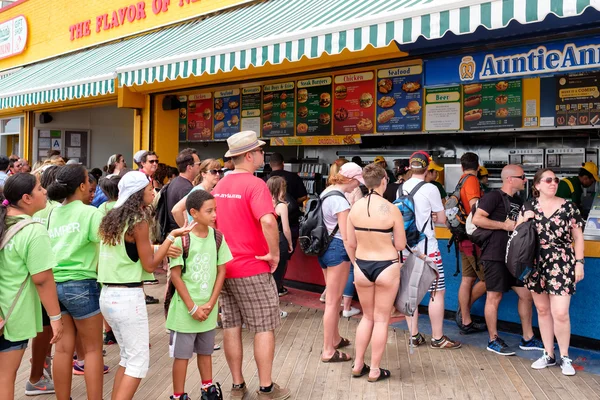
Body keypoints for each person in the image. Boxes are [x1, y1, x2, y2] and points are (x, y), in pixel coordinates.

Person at [98, 171, 193, 399]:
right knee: (138, 363)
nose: (154, 192)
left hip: (108, 296)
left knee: (127, 358)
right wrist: (170, 238)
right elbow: (150, 265)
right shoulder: (138, 222)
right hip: (128, 298)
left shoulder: (112, 217)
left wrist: (157, 247)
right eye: (151, 190)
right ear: (139, 194)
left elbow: (132, 252)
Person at [212, 131, 290, 400]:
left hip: (225, 267)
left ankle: (237, 385)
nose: (262, 154)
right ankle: (266, 388)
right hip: (252, 267)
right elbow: (269, 221)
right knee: (263, 327)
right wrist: (273, 253)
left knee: (231, 326)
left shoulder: (219, 185)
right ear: (248, 156)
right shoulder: (255, 184)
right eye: (259, 150)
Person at [0, 174, 63, 399]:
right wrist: (55, 318)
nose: (45, 191)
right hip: (11, 317)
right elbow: (42, 279)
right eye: (39, 188)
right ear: (27, 198)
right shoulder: (33, 230)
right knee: (4, 377)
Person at [45, 165, 105, 400]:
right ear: (83, 186)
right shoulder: (90, 213)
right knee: (92, 350)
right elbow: (106, 245)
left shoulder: (52, 213)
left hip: (54, 286)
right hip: (82, 284)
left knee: (62, 349)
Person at [167, 190, 233, 400]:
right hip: (185, 312)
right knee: (181, 357)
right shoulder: (181, 239)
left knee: (206, 353)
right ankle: (179, 395)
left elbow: (222, 270)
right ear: (193, 213)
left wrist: (212, 303)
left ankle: (208, 389)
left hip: (208, 309)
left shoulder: (217, 237)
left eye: (216, 210)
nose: (214, 215)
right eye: (209, 211)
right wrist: (192, 307)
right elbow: (175, 276)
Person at [472, 164, 544, 356]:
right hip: (495, 254)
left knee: (526, 294)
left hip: (514, 257)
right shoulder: (493, 197)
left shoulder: (520, 201)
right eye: (522, 177)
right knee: (494, 296)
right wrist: (504, 226)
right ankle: (493, 339)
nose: (525, 180)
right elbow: (477, 219)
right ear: (510, 179)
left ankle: (527, 338)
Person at [520, 169, 584, 376]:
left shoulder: (568, 207)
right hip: (536, 262)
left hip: (562, 262)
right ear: (537, 185)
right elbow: (516, 233)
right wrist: (522, 220)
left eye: (555, 180)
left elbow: (578, 237)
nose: (553, 183)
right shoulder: (529, 206)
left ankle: (565, 356)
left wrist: (579, 263)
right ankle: (549, 354)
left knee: (560, 313)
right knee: (543, 310)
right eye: (548, 180)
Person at [347, 163, 406, 382]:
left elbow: (351, 242)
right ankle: (375, 370)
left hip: (362, 265)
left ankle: (358, 364)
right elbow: (400, 244)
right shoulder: (392, 209)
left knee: (367, 317)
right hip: (386, 266)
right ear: (384, 181)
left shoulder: (355, 208)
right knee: (381, 320)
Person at [402, 151, 461, 350]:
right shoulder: (430, 188)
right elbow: (443, 218)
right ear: (427, 168)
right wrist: (435, 217)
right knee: (436, 292)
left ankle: (414, 335)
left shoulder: (401, 187)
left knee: (410, 293)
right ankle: (437, 338)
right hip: (428, 249)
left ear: (410, 167)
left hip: (406, 249)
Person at [318, 162, 364, 363]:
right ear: (351, 179)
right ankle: (328, 350)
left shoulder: (327, 192)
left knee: (332, 299)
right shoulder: (341, 202)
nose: (357, 186)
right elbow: (347, 236)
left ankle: (335, 338)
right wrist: (355, 261)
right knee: (333, 302)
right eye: (357, 182)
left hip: (324, 249)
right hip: (337, 250)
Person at [455, 152, 487, 334]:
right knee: (488, 280)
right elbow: (475, 208)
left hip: (463, 239)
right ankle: (464, 313)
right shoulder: (472, 181)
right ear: (478, 166)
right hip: (473, 239)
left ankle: (465, 319)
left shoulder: (461, 180)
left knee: (467, 279)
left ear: (462, 166)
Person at [266, 176, 293, 308]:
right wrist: (290, 243)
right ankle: (274, 308)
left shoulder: (263, 203)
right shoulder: (282, 206)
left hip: (264, 241)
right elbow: (286, 229)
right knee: (277, 275)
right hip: (279, 239)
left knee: (266, 275)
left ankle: (265, 305)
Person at [172, 158, 222, 228]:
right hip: (199, 235)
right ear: (203, 174)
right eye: (213, 171)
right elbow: (176, 210)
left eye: (219, 171)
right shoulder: (198, 191)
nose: (217, 174)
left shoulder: (209, 191)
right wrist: (187, 231)